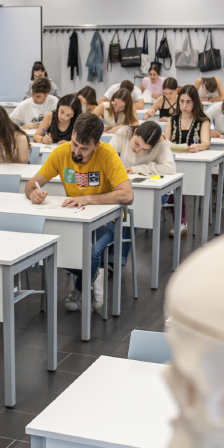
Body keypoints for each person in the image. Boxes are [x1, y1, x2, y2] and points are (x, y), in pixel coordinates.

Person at [25, 113, 134, 312]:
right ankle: (93, 276)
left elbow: (128, 195)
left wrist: (89, 199)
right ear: (73, 134)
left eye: (84, 148)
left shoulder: (108, 155)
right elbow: (32, 184)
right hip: (74, 218)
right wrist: (34, 194)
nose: (77, 151)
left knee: (90, 252)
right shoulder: (62, 152)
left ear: (96, 145)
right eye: (75, 144)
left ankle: (80, 289)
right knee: (47, 249)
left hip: (107, 220)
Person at [168, 85, 211, 153]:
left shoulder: (203, 121)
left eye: (188, 102)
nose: (184, 105)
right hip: (174, 159)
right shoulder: (171, 120)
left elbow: (206, 144)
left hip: (195, 158)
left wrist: (197, 147)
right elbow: (165, 144)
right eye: (182, 101)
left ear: (195, 103)